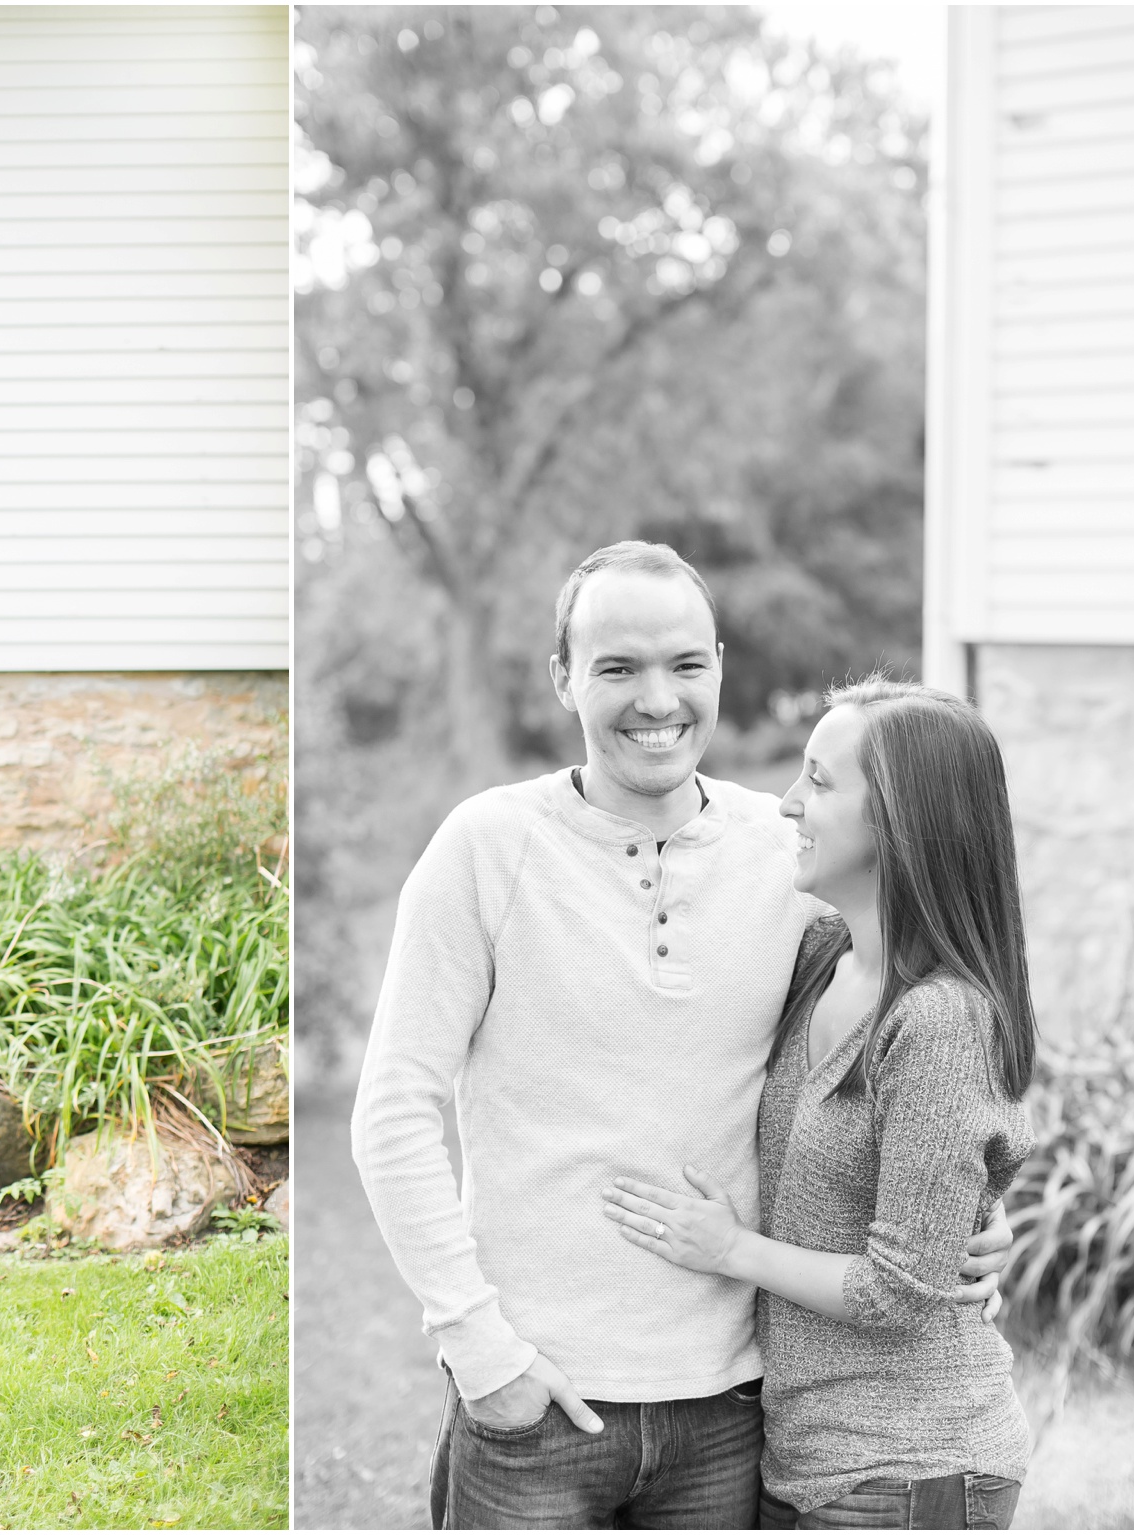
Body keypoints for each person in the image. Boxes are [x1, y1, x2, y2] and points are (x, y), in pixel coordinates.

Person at [352, 541, 1012, 1529]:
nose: (654, 698)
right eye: (616, 666)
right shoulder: (485, 849)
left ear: (715, 666)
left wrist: (971, 1218)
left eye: (683, 664)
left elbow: (918, 1038)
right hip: (536, 1402)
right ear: (561, 677)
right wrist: (481, 1349)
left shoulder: (787, 860)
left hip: (730, 1405)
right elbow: (392, 1111)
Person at [603, 679, 1036, 1529]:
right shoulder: (821, 957)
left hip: (911, 1468)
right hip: (814, 1456)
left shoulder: (939, 1017)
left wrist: (731, 1247)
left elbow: (898, 1292)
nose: (789, 804)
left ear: (901, 823)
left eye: (821, 782)